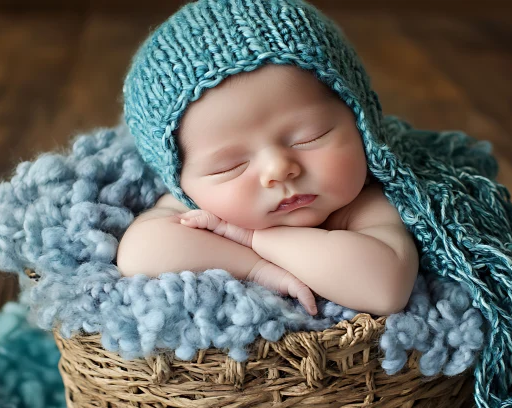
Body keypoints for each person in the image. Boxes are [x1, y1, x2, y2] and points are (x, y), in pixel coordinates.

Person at [116, 0, 419, 317]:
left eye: (310, 137)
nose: (279, 170)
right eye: (230, 166)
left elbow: (385, 288)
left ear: (361, 123)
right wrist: (257, 267)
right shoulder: (200, 206)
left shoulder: (363, 201)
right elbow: (140, 254)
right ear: (181, 184)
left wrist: (252, 237)